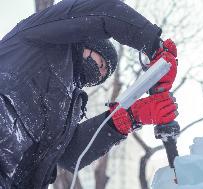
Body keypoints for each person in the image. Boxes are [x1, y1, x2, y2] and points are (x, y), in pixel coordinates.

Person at [0, 0, 178, 188]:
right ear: (86, 43)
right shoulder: (38, 39)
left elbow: (67, 156)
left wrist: (126, 119)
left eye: (103, 74)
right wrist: (153, 44)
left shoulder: (71, 107)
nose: (99, 72)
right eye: (100, 62)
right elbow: (100, 11)